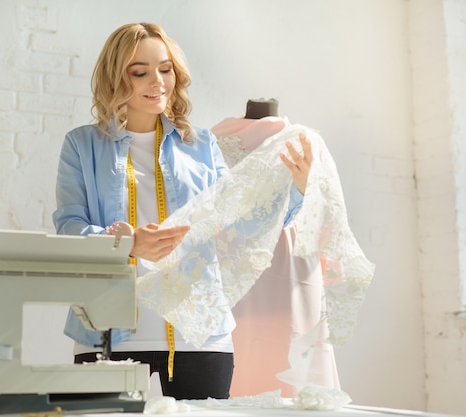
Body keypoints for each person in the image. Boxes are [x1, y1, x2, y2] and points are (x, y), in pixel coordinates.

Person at [52, 23, 312, 400]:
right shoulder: (82, 145)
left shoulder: (202, 144)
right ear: (114, 77)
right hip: (107, 335)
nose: (157, 81)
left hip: (200, 339)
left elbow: (235, 226)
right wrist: (125, 244)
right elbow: (69, 230)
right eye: (139, 72)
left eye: (166, 69)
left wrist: (295, 193)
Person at [212, 99, 340, 398]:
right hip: (236, 265)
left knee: (292, 353)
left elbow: (326, 211)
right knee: (238, 355)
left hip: (292, 264)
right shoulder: (213, 140)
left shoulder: (307, 140)